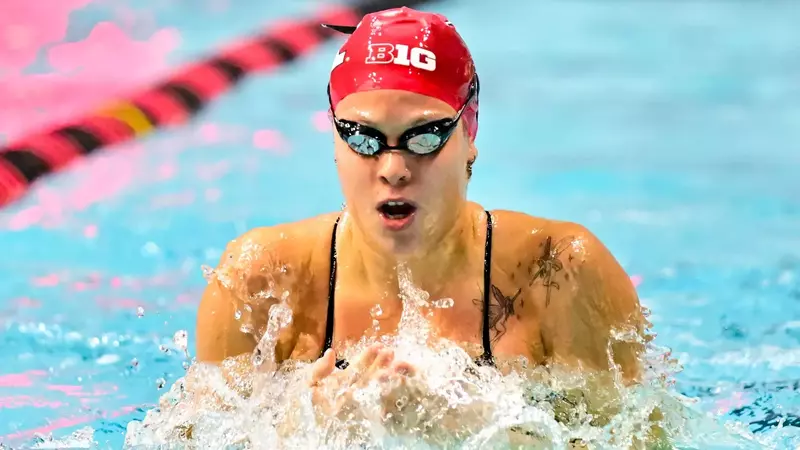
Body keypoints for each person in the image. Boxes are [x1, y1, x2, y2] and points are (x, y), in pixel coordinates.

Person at [195, 6, 647, 415]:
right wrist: (304, 431)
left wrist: (464, 430)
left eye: (425, 137)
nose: (393, 169)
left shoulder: (558, 273)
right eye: (363, 138)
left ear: (469, 134)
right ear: (335, 139)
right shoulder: (263, 283)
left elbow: (648, 438)